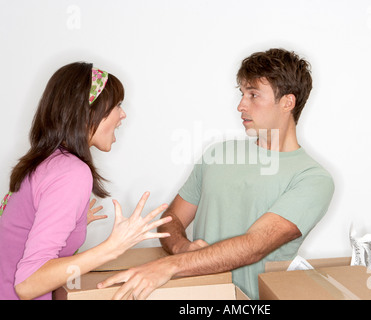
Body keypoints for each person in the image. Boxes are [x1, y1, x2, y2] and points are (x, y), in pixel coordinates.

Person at [98, 48, 335, 300]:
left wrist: (170, 266)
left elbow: (254, 246)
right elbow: (173, 218)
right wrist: (182, 247)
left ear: (287, 102)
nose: (240, 105)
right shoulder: (218, 154)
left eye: (253, 95)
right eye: (242, 93)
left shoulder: (312, 178)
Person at [0, 62, 172, 300]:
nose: (123, 115)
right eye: (117, 106)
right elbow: (27, 284)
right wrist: (112, 247)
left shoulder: (49, 162)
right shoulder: (71, 172)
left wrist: (72, 226)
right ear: (88, 112)